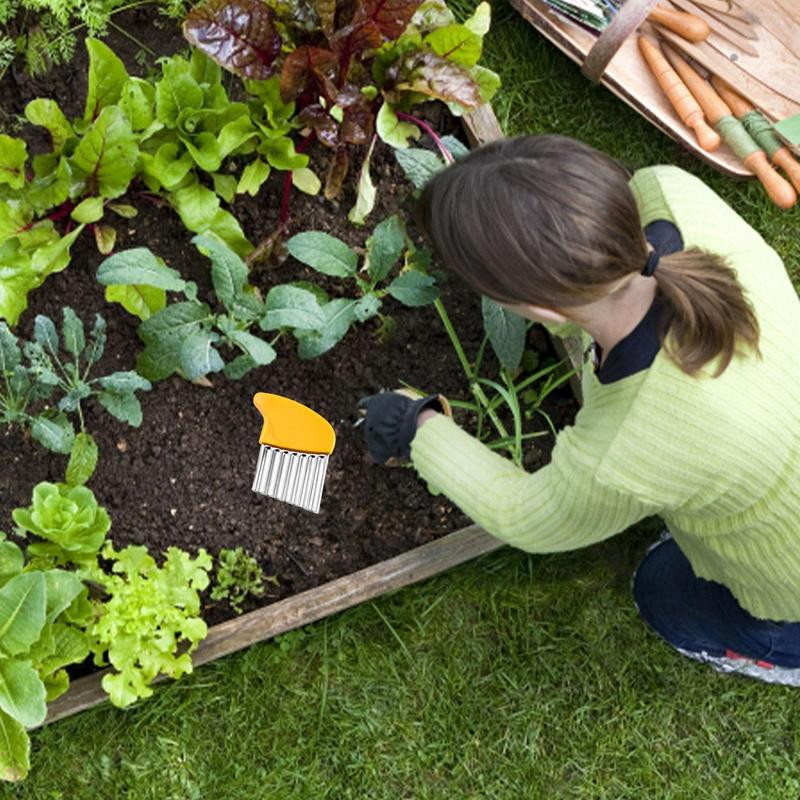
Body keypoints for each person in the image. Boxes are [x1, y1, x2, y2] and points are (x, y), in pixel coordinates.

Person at [357, 134, 800, 686]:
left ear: (541, 310)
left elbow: (525, 515)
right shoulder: (671, 192)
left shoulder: (629, 443)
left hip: (791, 581)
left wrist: (417, 426)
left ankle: (779, 652)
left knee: (660, 594)